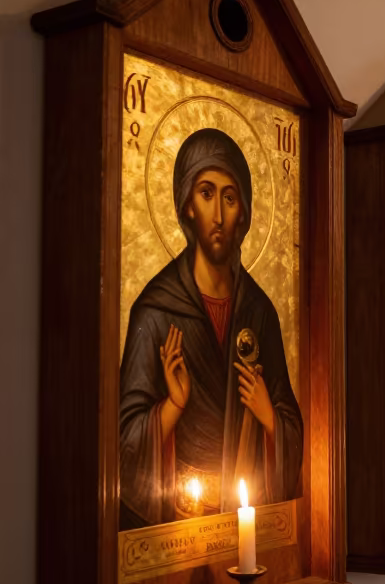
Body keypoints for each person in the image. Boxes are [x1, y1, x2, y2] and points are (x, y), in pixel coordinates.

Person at [119, 128, 302, 529]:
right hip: (178, 523)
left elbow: (291, 420)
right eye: (206, 193)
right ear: (187, 204)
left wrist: (269, 416)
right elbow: (126, 442)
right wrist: (174, 405)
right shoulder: (154, 311)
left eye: (229, 197)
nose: (218, 215)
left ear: (244, 213)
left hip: (244, 518)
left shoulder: (260, 312)